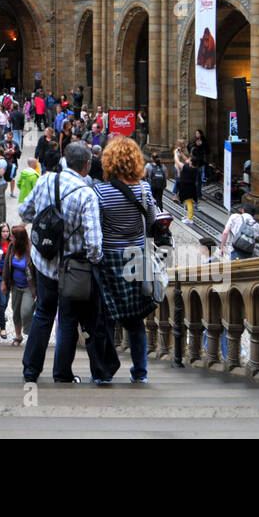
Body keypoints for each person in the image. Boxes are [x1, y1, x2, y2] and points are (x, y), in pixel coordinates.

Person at [17, 141, 115, 385]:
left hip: (44, 262)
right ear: (87, 165)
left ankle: (30, 370)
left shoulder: (45, 181)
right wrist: (94, 263)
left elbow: (24, 212)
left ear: (64, 159)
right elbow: (94, 243)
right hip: (73, 269)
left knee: (43, 313)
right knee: (68, 319)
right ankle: (62, 374)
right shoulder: (86, 195)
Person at [95, 135, 159, 384]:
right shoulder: (144, 189)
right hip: (136, 259)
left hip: (109, 260)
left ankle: (103, 373)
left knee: (108, 319)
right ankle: (140, 373)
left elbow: (97, 229)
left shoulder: (100, 191)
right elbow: (152, 222)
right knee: (135, 321)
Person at [2, 225, 35, 346]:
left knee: (26, 311)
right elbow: (7, 264)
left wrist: (38, 290)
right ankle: (18, 336)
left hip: (28, 287)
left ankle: (29, 332)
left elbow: (37, 269)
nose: (10, 238)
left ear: (19, 238)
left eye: (12, 236)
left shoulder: (31, 250)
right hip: (15, 286)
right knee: (15, 312)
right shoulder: (11, 247)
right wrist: (4, 281)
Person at [176, 154, 199, 222]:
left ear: (191, 162)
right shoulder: (194, 168)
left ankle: (190, 219)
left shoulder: (188, 168)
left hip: (188, 189)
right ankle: (189, 216)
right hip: (191, 188)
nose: (188, 161)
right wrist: (181, 154)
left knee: (189, 203)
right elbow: (186, 161)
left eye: (190, 160)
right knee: (189, 202)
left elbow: (177, 162)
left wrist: (175, 154)